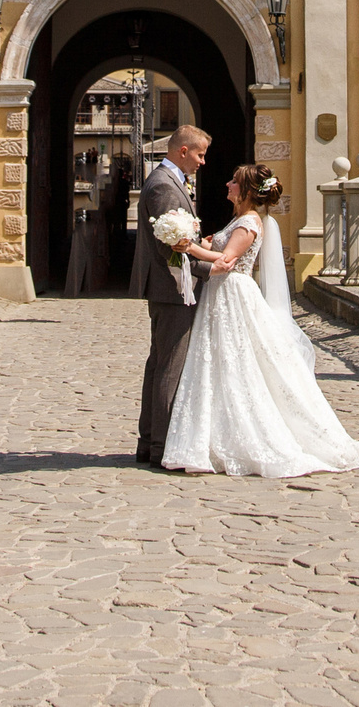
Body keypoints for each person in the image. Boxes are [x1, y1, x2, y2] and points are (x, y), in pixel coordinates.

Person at [160, 164, 359, 478]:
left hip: (233, 294)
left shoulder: (250, 222)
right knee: (218, 361)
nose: (228, 184)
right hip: (221, 295)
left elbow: (228, 261)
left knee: (239, 360)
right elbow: (219, 248)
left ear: (247, 191)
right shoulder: (239, 219)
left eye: (234, 181)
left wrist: (190, 248)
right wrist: (194, 241)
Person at [129, 123, 210, 468]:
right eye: (200, 155)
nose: (203, 162)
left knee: (160, 364)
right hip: (173, 289)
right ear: (183, 151)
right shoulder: (164, 185)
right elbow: (170, 248)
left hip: (169, 289)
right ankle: (160, 446)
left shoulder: (168, 180)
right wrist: (210, 268)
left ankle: (149, 440)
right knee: (169, 367)